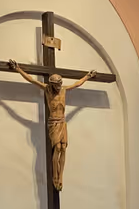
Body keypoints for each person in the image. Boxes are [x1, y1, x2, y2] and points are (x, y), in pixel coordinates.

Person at [7, 60, 98, 191]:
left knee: (63, 148)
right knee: (57, 148)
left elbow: (77, 84)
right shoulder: (47, 90)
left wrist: (87, 76)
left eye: (60, 84)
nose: (59, 86)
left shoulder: (64, 90)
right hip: (53, 122)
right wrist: (18, 69)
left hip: (62, 121)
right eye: (56, 85)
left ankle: (60, 176)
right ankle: (55, 176)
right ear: (52, 84)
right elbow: (31, 80)